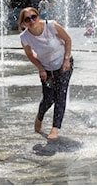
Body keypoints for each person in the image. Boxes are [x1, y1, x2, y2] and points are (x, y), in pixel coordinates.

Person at [18, 7, 73, 140]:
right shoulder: (25, 37)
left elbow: (68, 40)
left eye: (34, 16)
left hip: (63, 64)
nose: (31, 20)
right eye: (27, 19)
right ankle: (39, 116)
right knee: (48, 99)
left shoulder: (51, 25)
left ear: (38, 16)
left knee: (61, 95)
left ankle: (55, 128)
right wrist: (41, 68)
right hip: (46, 68)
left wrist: (66, 60)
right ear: (23, 23)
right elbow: (30, 55)